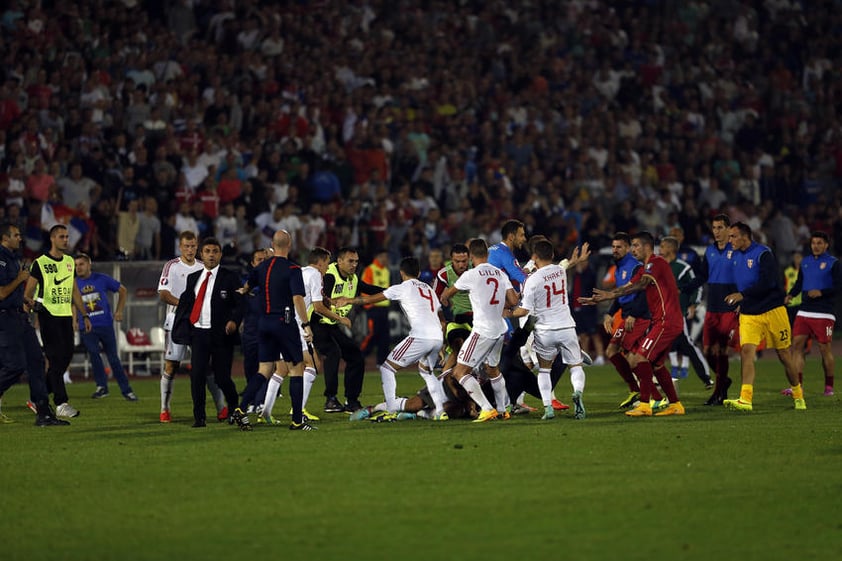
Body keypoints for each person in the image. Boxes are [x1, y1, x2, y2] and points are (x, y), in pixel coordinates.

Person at [580, 231, 686, 417]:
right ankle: (675, 405)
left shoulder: (656, 263)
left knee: (638, 359)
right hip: (661, 321)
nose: (634, 249)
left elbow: (641, 285)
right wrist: (608, 296)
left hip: (666, 322)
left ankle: (645, 404)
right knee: (657, 366)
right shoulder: (645, 267)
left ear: (647, 246)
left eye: (636, 245)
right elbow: (629, 285)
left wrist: (613, 296)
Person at [342, 256, 448, 420]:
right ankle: (441, 412)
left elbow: (370, 299)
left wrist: (347, 300)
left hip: (421, 336)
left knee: (387, 368)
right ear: (418, 272)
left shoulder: (402, 287)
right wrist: (441, 344)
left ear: (401, 273)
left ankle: (391, 409)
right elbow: (441, 318)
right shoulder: (428, 288)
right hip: (437, 337)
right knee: (427, 372)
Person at [723, 222, 806, 412]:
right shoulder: (734, 256)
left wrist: (743, 296)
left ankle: (798, 395)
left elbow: (769, 283)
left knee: (784, 354)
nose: (730, 240)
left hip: (773, 310)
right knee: (746, 352)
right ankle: (746, 399)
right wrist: (741, 302)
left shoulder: (763, 253)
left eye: (733, 236)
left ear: (745, 236)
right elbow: (742, 283)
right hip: (750, 313)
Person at [505, 239, 588, 420]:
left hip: (544, 330)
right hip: (566, 326)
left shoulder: (531, 280)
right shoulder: (560, 271)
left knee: (544, 370)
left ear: (534, 257)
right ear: (552, 255)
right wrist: (576, 260)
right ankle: (578, 393)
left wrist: (507, 312)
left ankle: (548, 408)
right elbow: (564, 264)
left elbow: (524, 311)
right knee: (575, 365)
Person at [241, 229, 315, 431]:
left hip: (263, 324)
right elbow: (298, 298)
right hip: (284, 322)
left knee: (264, 369)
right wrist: (306, 325)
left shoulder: (263, 267)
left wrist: (244, 289)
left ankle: (240, 409)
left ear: (272, 245)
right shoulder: (292, 268)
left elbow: (249, 283)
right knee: (296, 369)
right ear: (289, 245)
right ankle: (297, 421)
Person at [440, 238, 519, 422]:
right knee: (493, 370)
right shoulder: (500, 274)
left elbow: (446, 294)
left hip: (482, 331)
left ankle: (486, 408)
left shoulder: (471, 275)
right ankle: (502, 410)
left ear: (471, 256)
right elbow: (514, 301)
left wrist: (446, 300)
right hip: (500, 329)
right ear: (487, 254)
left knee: (459, 372)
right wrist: (498, 304)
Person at [172, 237, 247, 429]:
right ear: (201, 254)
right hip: (199, 334)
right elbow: (187, 305)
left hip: (221, 335)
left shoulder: (230, 277)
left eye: (215, 251)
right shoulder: (193, 278)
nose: (211, 255)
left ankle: (234, 408)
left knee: (222, 377)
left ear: (220, 254)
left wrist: (233, 321)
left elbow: (240, 304)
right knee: (196, 375)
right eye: (207, 251)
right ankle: (200, 417)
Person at [0, 222, 68, 426]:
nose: (20, 238)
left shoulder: (12, 258)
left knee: (37, 361)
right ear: (5, 238)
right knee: (15, 365)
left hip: (18, 315)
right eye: (16, 235)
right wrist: (21, 279)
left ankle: (44, 413)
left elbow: (9, 294)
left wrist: (24, 299)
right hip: (4, 318)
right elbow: (1, 292)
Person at [157, 230, 226, 423]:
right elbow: (163, 293)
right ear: (180, 247)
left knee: (206, 366)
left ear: (198, 247)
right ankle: (164, 409)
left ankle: (222, 408)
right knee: (172, 365)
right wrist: (185, 305)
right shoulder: (171, 266)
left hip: (200, 323)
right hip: (176, 321)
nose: (190, 249)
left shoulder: (204, 267)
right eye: (186, 246)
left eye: (193, 246)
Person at [257, 246, 331, 424]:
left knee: (281, 369)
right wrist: (340, 319)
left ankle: (265, 413)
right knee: (312, 364)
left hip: (279, 321)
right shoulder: (314, 275)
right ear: (320, 263)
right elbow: (318, 306)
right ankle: (299, 410)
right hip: (295, 325)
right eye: (327, 263)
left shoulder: (299, 271)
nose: (328, 267)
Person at [25, 224, 92, 418]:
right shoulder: (40, 263)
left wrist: (84, 314)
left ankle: (38, 397)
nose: (65, 240)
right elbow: (29, 291)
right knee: (55, 359)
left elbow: (73, 291)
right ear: (52, 239)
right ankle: (61, 402)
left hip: (65, 316)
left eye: (66, 237)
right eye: (62, 237)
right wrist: (30, 308)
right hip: (48, 315)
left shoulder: (69, 262)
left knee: (65, 357)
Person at [312, 246, 383, 413]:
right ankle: (330, 399)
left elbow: (368, 289)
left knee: (356, 357)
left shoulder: (353, 278)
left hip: (331, 324)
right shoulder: (328, 276)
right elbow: (320, 301)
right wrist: (333, 305)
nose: (354, 265)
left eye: (356, 261)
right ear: (339, 261)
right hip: (315, 322)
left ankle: (352, 401)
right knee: (332, 352)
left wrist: (393, 291)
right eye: (350, 261)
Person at [600, 232, 663, 409]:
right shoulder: (619, 267)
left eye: (619, 247)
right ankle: (636, 391)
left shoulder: (635, 266)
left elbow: (643, 292)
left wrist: (633, 315)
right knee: (614, 351)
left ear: (628, 248)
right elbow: (621, 293)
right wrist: (610, 313)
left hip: (639, 315)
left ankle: (655, 396)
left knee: (633, 357)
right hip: (628, 314)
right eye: (613, 247)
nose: (615, 250)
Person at [689, 214, 740, 405]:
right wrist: (685, 287)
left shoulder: (736, 250)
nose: (716, 232)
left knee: (721, 350)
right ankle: (723, 381)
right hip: (712, 306)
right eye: (714, 228)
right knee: (708, 350)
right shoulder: (710, 250)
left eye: (720, 228)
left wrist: (741, 300)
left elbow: (744, 276)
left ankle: (719, 393)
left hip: (729, 307)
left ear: (728, 229)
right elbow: (702, 276)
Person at [73, 253, 138, 401]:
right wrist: (74, 321)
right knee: (94, 355)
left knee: (113, 358)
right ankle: (102, 387)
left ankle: (126, 390)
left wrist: (119, 310)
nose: (78, 268)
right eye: (76, 265)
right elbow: (73, 303)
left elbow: (122, 290)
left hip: (105, 324)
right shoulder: (74, 283)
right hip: (87, 326)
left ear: (89, 265)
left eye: (81, 264)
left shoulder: (101, 278)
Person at [784, 231, 840, 396]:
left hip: (824, 312)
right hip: (804, 310)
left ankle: (829, 387)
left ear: (826, 245)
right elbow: (800, 283)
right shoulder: (805, 262)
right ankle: (797, 386)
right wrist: (791, 294)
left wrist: (821, 292)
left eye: (819, 243)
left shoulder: (833, 263)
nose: (816, 246)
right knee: (796, 346)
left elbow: (838, 286)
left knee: (824, 349)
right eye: (813, 243)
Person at [658, 236, 713, 391]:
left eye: (662, 246)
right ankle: (656, 381)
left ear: (670, 249)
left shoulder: (682, 268)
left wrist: (693, 304)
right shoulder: (658, 267)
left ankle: (706, 377)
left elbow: (697, 287)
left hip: (676, 315)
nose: (660, 249)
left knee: (687, 345)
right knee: (655, 348)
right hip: (659, 316)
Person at [359, 248, 391, 366]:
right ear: (377, 257)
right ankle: (361, 356)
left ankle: (381, 361)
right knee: (374, 333)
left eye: (386, 257)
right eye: (383, 256)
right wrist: (368, 305)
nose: (385, 259)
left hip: (384, 308)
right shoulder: (370, 269)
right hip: (373, 307)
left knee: (385, 336)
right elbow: (364, 288)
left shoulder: (386, 271)